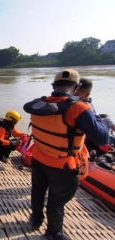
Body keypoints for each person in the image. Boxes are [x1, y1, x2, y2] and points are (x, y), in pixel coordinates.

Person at [23, 69, 109, 240]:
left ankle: (35, 219)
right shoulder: (79, 108)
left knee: (38, 191)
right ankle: (53, 233)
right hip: (62, 165)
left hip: (39, 158)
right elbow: (103, 138)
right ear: (76, 88)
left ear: (53, 85)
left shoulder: (40, 104)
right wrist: (92, 110)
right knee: (57, 200)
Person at [75, 78, 115, 145]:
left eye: (76, 95)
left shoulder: (85, 106)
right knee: (107, 120)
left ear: (87, 95)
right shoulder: (85, 105)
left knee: (106, 118)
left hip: (93, 134)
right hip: (91, 137)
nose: (74, 97)